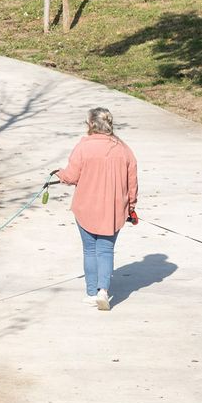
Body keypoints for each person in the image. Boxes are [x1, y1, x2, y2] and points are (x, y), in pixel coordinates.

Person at [54, 106, 138, 311]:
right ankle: (103, 292)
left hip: (86, 207)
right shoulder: (124, 149)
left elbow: (71, 176)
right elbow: (132, 182)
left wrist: (59, 174)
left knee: (90, 250)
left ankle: (91, 292)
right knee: (106, 249)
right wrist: (131, 207)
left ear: (91, 125)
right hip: (114, 209)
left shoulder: (83, 146)